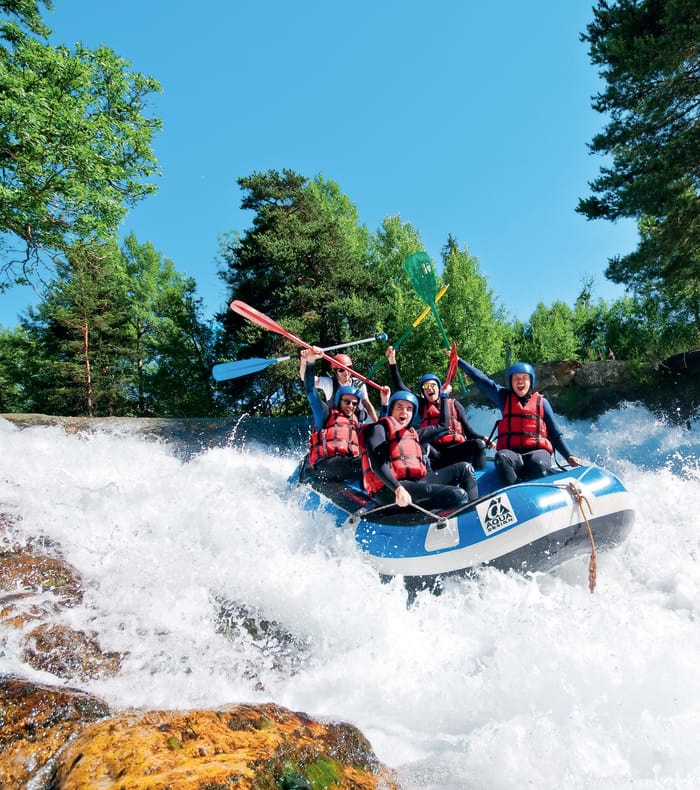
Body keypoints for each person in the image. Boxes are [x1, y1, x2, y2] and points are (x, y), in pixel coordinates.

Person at [457, 359, 582, 484]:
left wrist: (568, 456)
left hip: (537, 452)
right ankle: (514, 493)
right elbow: (482, 381)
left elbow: (555, 434)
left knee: (537, 462)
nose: (520, 381)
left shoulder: (542, 403)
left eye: (524, 378)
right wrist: (459, 361)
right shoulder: (503, 397)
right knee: (501, 457)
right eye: (516, 378)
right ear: (511, 382)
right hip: (512, 454)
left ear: (531, 381)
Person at [360, 389, 478, 510]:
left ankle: (474, 511)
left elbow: (443, 426)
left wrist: (443, 396)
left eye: (409, 408)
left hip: (415, 483)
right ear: (391, 410)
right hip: (389, 489)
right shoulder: (378, 429)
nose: (404, 412)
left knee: (465, 468)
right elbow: (376, 464)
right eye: (399, 407)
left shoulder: (414, 434)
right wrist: (398, 489)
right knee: (458, 495)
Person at [385, 346, 493, 470]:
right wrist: (392, 362)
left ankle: (479, 479)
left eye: (432, 385)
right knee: (423, 446)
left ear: (439, 388)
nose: (429, 388)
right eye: (426, 387)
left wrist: (483, 438)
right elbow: (400, 386)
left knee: (479, 445)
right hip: (436, 454)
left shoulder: (454, 404)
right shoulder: (422, 405)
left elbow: (468, 431)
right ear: (423, 392)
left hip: (457, 450)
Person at [301, 347, 364, 481]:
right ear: (338, 400)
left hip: (345, 464)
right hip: (326, 464)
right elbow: (310, 388)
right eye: (346, 402)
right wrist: (310, 361)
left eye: (354, 403)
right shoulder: (325, 414)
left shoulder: (354, 422)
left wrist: (385, 402)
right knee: (365, 463)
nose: (350, 406)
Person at [303, 351, 378, 424]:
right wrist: (304, 360)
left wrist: (377, 424)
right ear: (335, 371)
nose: (346, 373)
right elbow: (306, 379)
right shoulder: (329, 383)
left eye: (349, 368)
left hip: (355, 423)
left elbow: (367, 404)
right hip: (336, 423)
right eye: (341, 370)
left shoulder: (359, 383)